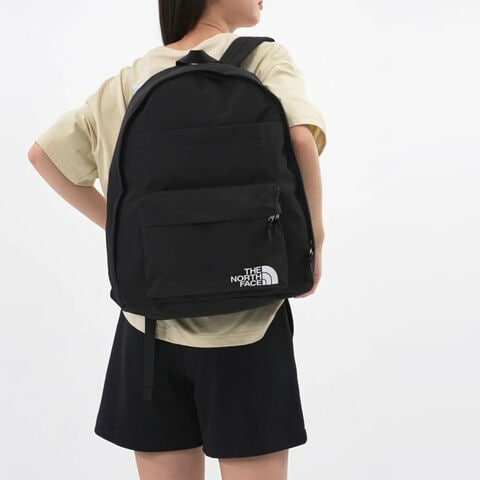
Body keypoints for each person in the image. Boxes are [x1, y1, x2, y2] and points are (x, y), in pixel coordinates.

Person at [28, 0, 327, 478]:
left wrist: (121, 230)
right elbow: (301, 140)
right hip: (248, 327)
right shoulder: (265, 60)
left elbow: (44, 156)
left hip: (148, 330)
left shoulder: (129, 81)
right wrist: (315, 241)